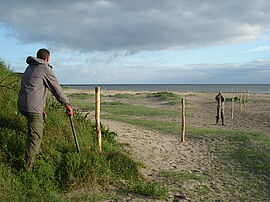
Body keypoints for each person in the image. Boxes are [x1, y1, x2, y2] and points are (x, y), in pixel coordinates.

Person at [18, 48, 73, 171]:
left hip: (23, 105)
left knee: (35, 131)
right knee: (35, 138)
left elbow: (34, 88)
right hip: (32, 108)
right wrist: (67, 104)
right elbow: (56, 89)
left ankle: (37, 154)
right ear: (47, 58)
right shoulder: (45, 68)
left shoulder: (30, 67)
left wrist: (40, 107)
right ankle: (27, 170)